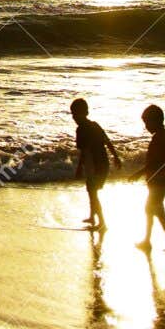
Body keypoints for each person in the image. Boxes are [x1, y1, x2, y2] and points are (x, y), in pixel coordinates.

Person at [135, 103, 165, 255]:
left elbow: (153, 163)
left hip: (157, 182)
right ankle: (148, 240)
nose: (146, 127)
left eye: (147, 123)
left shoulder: (159, 139)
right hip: (161, 182)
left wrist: (138, 173)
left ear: (156, 121)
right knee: (151, 210)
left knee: (157, 213)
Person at [70, 97, 120, 231]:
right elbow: (107, 141)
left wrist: (79, 168)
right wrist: (116, 157)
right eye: (73, 114)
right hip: (102, 163)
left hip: (95, 164)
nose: (74, 118)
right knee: (91, 190)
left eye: (75, 114)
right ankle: (92, 216)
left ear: (83, 113)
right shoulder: (95, 125)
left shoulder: (81, 130)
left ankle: (102, 222)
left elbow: (84, 151)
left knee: (93, 192)